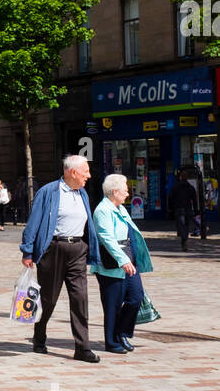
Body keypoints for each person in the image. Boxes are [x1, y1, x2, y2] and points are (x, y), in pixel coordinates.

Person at [20, 154, 102, 362]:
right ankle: (39, 335)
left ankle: (82, 348)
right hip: (54, 249)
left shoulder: (82, 193)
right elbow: (34, 221)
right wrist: (27, 251)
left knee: (80, 298)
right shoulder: (48, 192)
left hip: (78, 249)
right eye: (86, 171)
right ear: (73, 172)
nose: (89, 176)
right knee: (48, 299)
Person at [90, 174, 153, 353]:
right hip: (112, 264)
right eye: (125, 189)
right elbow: (107, 238)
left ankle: (122, 332)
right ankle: (112, 342)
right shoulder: (103, 210)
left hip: (128, 261)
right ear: (115, 191)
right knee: (113, 304)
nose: (128, 192)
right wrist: (123, 259)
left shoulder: (120, 208)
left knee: (136, 297)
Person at [167, 170, 197, 252]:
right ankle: (184, 242)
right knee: (186, 227)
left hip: (179, 209)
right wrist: (196, 211)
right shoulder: (191, 187)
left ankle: (184, 240)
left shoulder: (176, 187)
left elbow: (170, 198)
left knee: (180, 226)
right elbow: (194, 200)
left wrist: (171, 209)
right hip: (188, 209)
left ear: (180, 177)